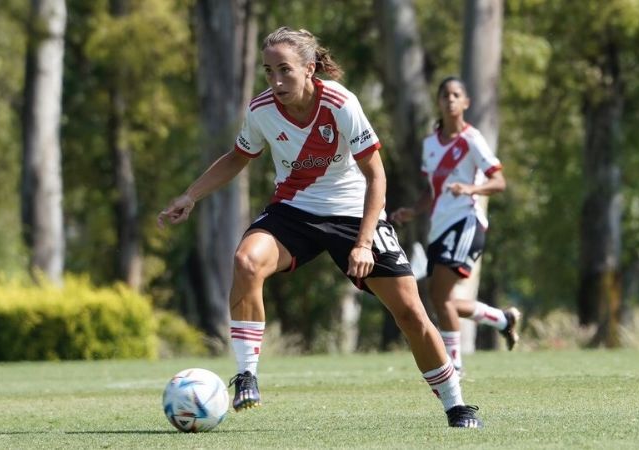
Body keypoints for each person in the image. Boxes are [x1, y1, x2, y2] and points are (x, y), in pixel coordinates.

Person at [157, 27, 482, 428]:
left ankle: (457, 405)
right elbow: (237, 157)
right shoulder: (260, 110)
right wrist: (190, 196)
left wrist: (363, 244)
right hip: (293, 211)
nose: (276, 81)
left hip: (353, 213)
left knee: (412, 314)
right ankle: (246, 375)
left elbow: (376, 177)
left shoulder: (340, 102)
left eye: (285, 70)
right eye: (268, 71)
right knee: (245, 261)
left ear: (310, 69)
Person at [389, 76, 521, 377]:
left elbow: (498, 181)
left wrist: (471, 189)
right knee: (441, 300)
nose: (450, 99)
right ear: (438, 101)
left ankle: (454, 365)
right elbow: (431, 190)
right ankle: (502, 319)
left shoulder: (472, 139)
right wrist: (413, 210)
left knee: (439, 296)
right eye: (445, 94)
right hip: (439, 226)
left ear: (466, 103)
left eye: (456, 94)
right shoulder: (430, 144)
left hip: (466, 222)